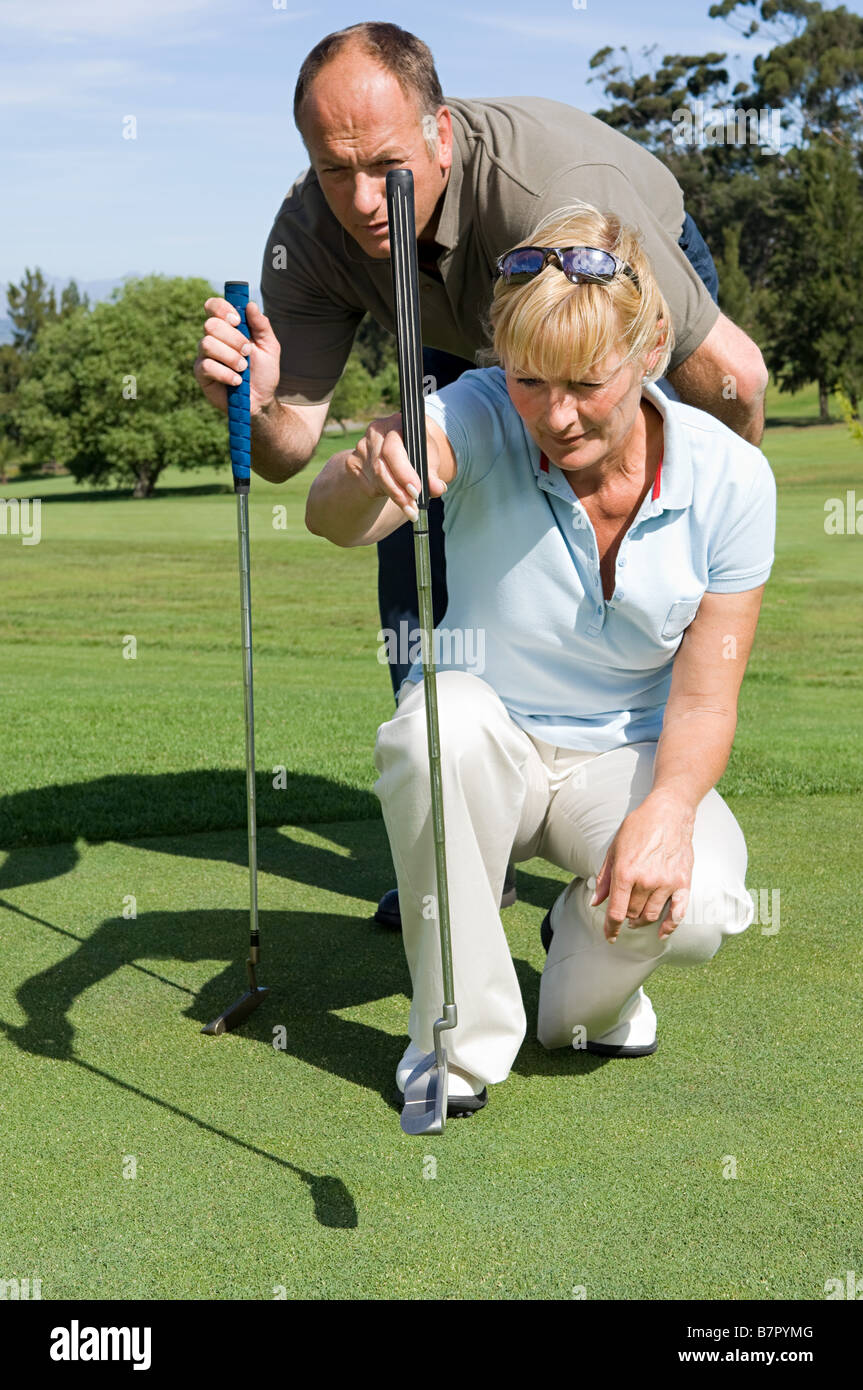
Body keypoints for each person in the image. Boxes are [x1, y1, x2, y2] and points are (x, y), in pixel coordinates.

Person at [192, 20, 768, 923]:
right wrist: (256, 402)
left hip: (594, 275)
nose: (358, 200)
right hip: (461, 346)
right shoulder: (309, 231)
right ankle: (465, 843)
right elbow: (289, 454)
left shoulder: (553, 194)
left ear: (442, 132)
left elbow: (739, 378)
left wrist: (713, 514)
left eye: (380, 163)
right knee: (407, 512)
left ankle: (629, 789)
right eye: (329, 168)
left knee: (590, 522)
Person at [305, 202, 776, 1117]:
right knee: (433, 726)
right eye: (527, 381)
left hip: (623, 757)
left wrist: (670, 811)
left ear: (650, 349)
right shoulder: (480, 415)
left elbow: (706, 699)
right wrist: (366, 475)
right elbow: (340, 522)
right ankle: (456, 1043)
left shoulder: (732, 480)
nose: (553, 416)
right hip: (492, 745)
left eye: (582, 382)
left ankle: (575, 972)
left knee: (705, 903)